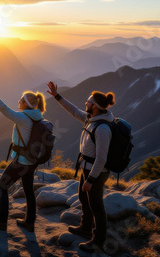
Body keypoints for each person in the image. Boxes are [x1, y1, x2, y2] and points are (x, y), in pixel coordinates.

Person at [47, 81, 115, 253]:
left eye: (89, 102)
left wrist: (91, 179)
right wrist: (57, 96)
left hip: (96, 171)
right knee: (84, 198)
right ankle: (85, 228)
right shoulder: (91, 118)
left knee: (97, 205)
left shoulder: (103, 129)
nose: (85, 103)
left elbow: (101, 158)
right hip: (87, 167)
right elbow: (73, 110)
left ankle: (98, 240)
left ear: (96, 107)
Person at [0, 76, 46, 232]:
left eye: (21, 100)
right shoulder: (37, 116)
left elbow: (3, 108)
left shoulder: (23, 118)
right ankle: (30, 222)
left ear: (26, 104)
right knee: (29, 191)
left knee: (1, 186)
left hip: (21, 161)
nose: (18, 102)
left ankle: (2, 220)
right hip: (31, 162)